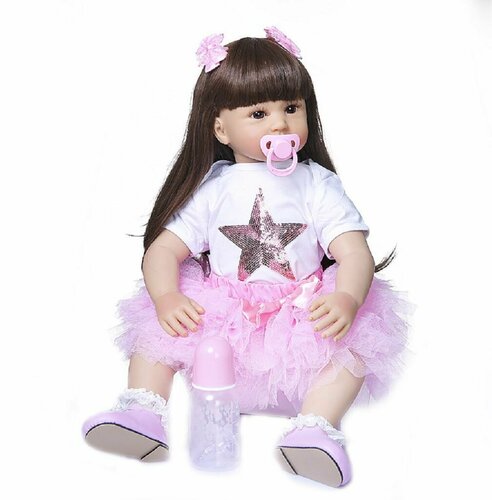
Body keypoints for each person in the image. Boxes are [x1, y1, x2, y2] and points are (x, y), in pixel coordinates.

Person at [82, 27, 412, 488]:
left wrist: (347, 299)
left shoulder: (316, 184)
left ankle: (316, 426)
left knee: (359, 337)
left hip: (300, 325)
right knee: (156, 324)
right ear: (220, 128)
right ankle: (143, 408)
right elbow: (163, 249)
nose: (279, 125)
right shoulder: (213, 188)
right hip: (222, 331)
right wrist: (166, 297)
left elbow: (354, 251)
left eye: (291, 108)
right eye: (259, 113)